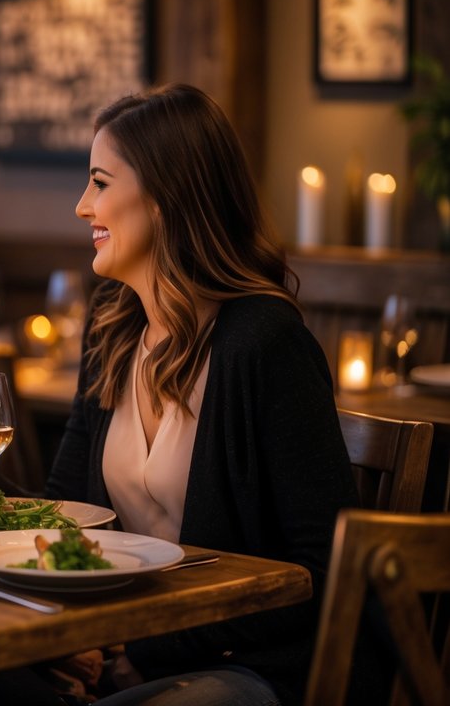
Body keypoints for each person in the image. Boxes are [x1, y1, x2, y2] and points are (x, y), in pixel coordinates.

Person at [46, 83, 364, 705]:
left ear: (165, 198)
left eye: (101, 183)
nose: (83, 206)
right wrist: (65, 638)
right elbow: (62, 511)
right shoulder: (112, 325)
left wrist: (152, 648)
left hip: (248, 669)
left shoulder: (265, 343)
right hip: (123, 660)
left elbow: (323, 572)